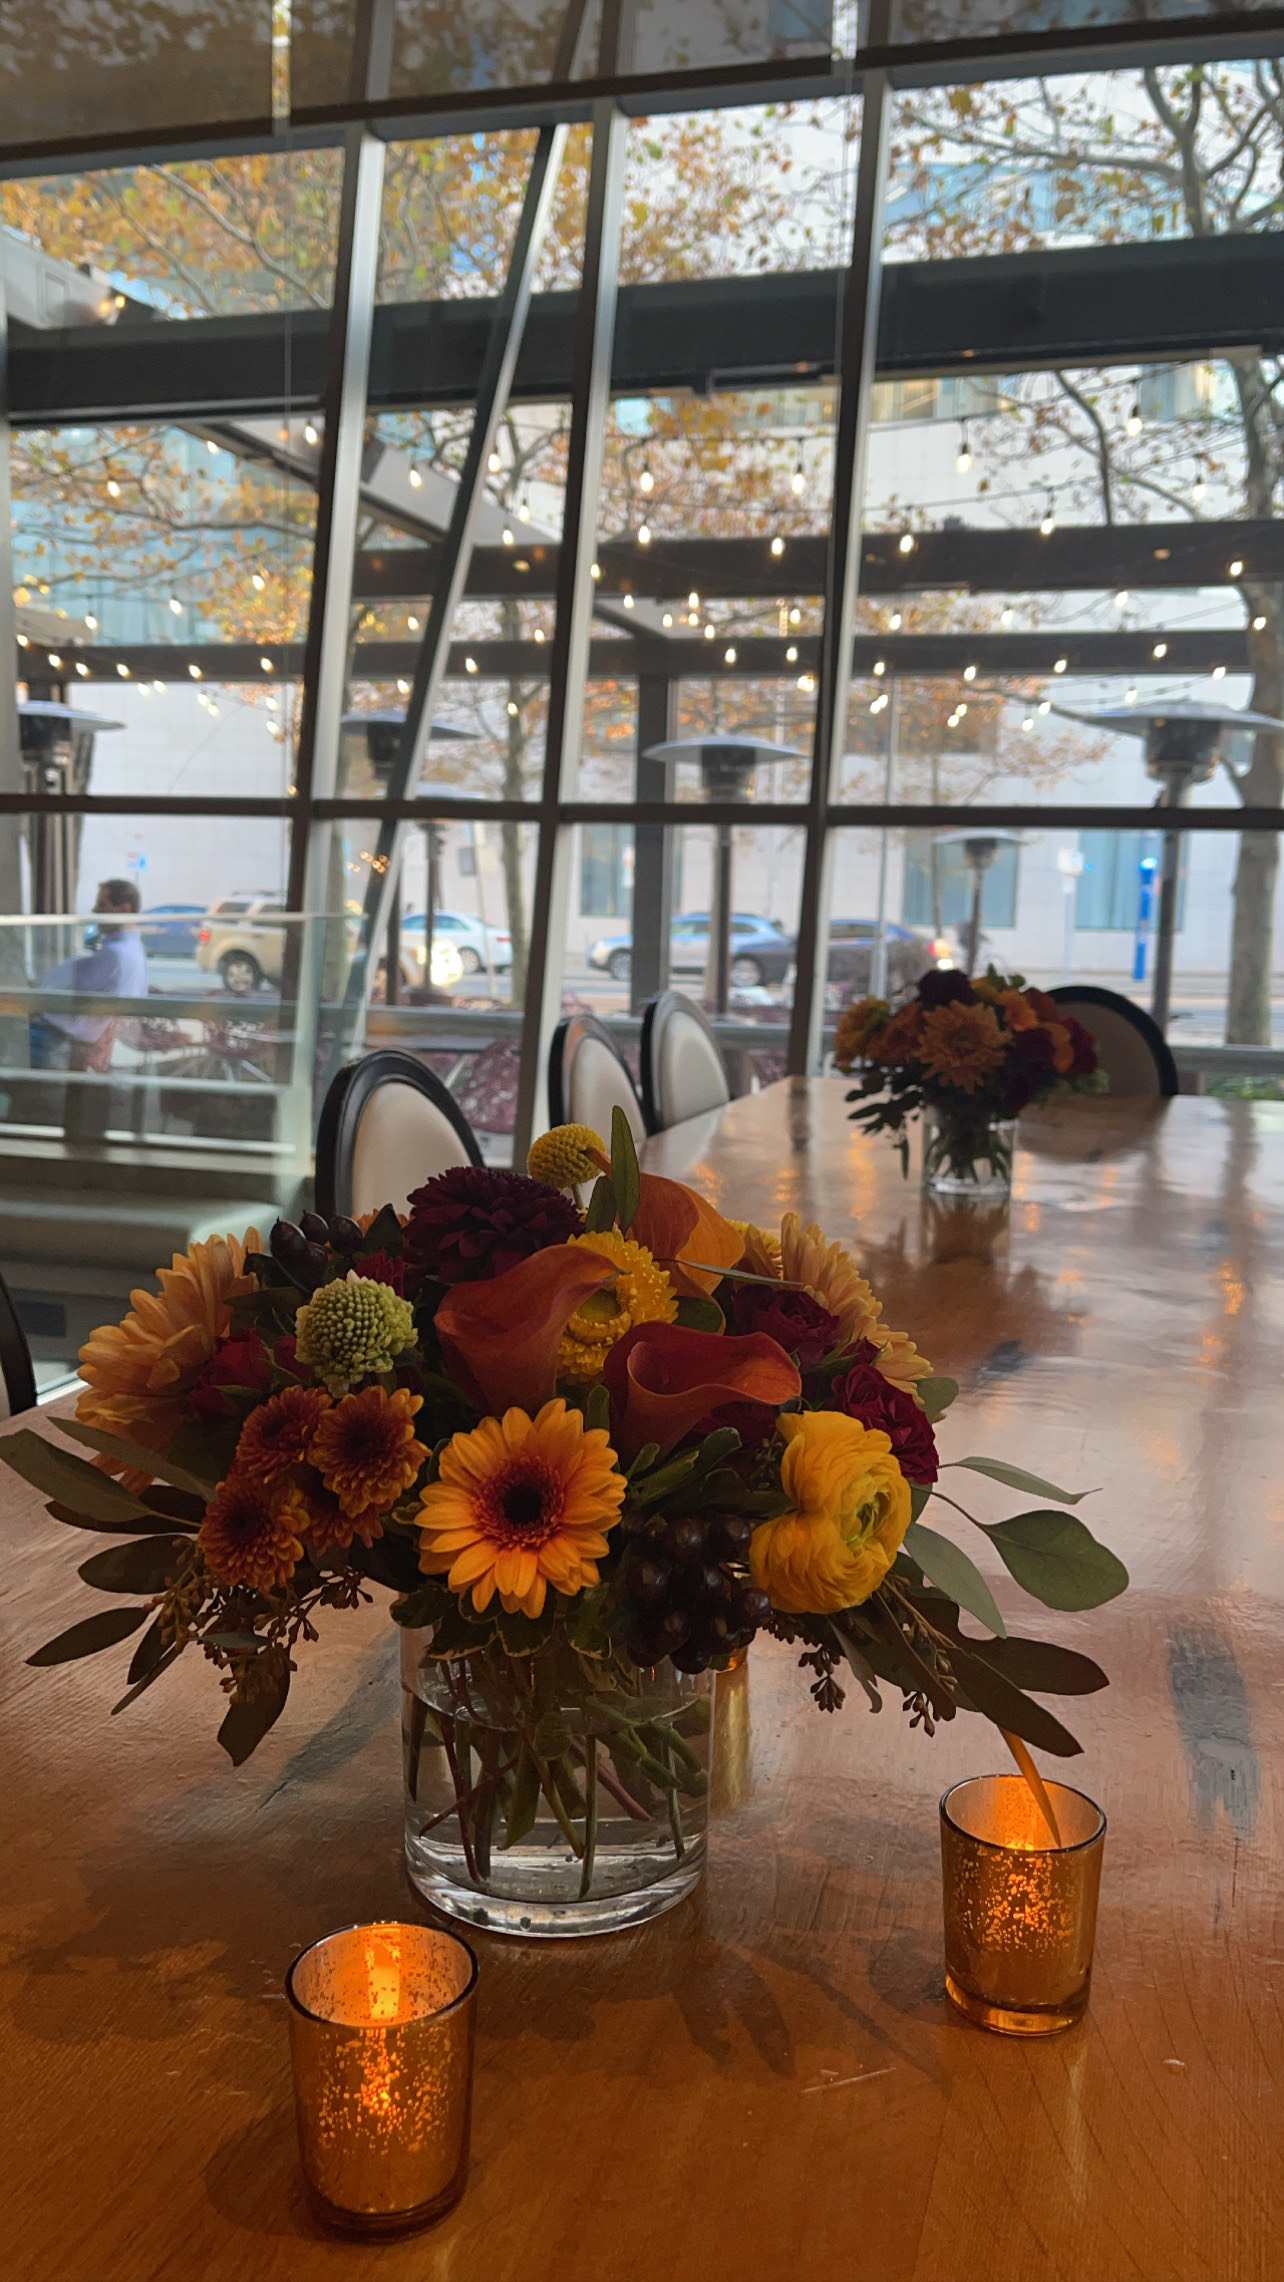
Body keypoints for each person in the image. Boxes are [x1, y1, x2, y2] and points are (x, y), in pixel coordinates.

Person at [30, 878, 149, 1074]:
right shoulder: (133, 950)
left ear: (124, 909)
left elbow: (64, 991)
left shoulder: (115, 955)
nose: (94, 910)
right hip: (72, 1041)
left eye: (102, 904)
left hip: (61, 1042)